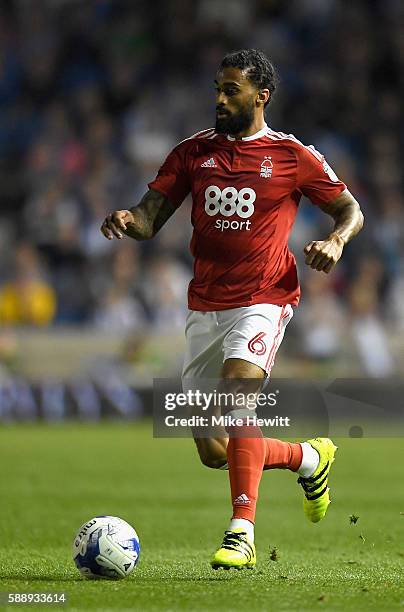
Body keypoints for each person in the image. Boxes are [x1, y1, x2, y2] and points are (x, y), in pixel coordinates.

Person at [101, 49, 364, 570]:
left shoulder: (292, 156)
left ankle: (240, 532)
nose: (219, 99)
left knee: (237, 401)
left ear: (261, 96)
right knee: (214, 449)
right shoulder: (192, 152)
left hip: (265, 297)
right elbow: (152, 217)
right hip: (205, 303)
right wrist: (128, 219)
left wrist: (335, 241)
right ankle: (309, 458)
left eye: (231, 90)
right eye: (217, 89)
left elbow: (349, 208)